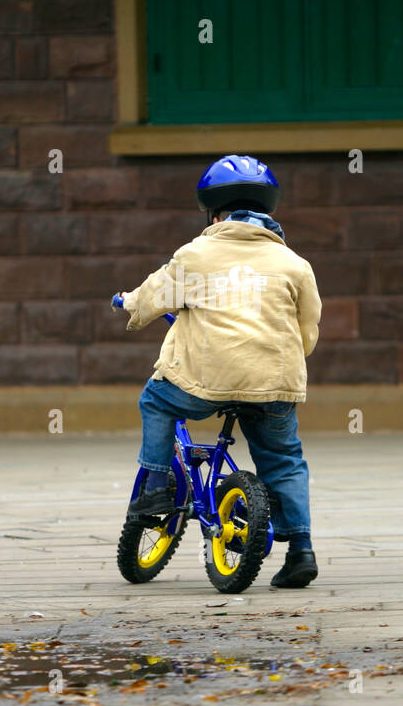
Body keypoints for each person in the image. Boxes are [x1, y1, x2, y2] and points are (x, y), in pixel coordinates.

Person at [116, 155, 323, 588]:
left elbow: (154, 297)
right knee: (283, 460)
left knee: (154, 400)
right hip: (273, 384)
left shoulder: (196, 255)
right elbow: (308, 332)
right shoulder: (294, 264)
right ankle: (301, 549)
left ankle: (156, 486)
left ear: (214, 214)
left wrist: (128, 304)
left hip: (206, 383)